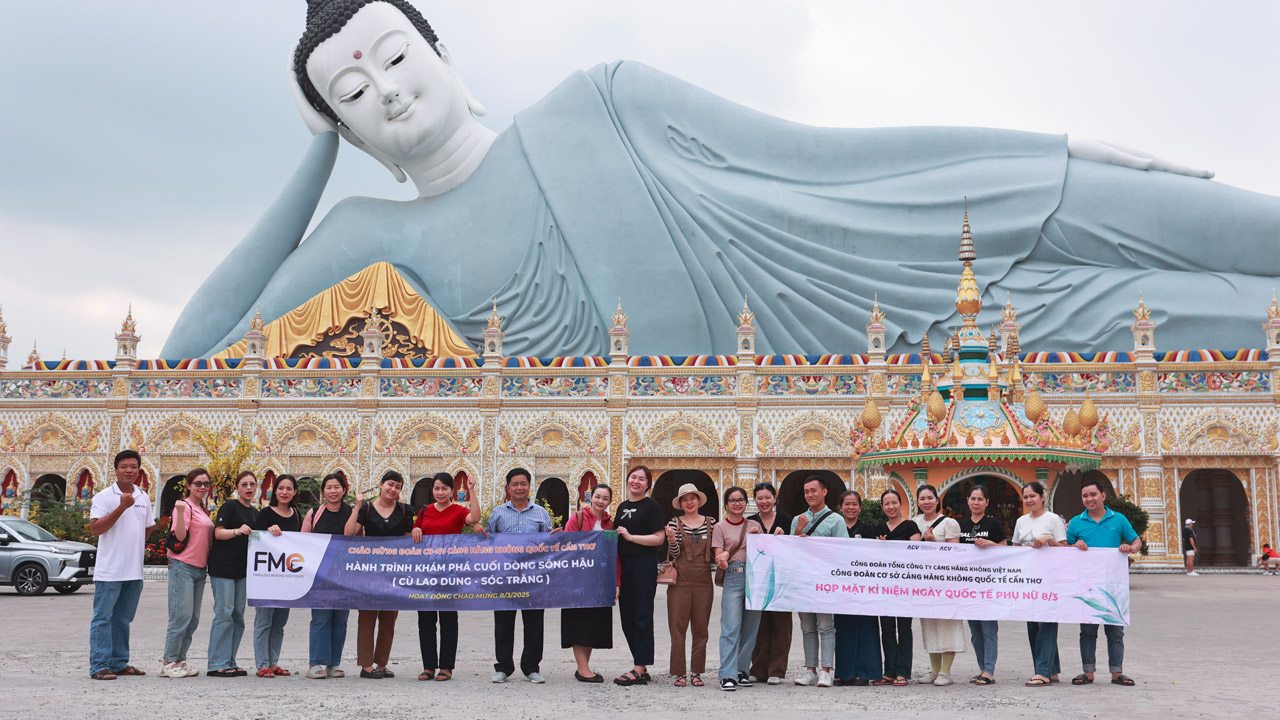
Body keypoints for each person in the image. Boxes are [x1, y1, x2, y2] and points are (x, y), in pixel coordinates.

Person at [167, 0, 1280, 362]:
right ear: (347, 137)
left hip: (848, 247)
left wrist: (1046, 150)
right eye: (351, 98)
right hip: (864, 358)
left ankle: (1065, 178)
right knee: (1195, 320)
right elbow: (181, 368)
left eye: (395, 60)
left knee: (1137, 213)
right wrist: (310, 150)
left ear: (443, 55)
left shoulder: (598, 96)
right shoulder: (373, 232)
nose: (388, 96)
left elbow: (821, 157)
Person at [1066, 478, 1142, 687]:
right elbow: (1064, 549)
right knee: (1087, 631)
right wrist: (1074, 546)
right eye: (1085, 496)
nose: (1089, 499)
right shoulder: (1075, 522)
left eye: (1093, 495)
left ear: (1103, 496)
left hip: (1113, 585)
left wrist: (1131, 548)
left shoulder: (1119, 520)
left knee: (1115, 631)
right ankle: (1087, 672)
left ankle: (1117, 673)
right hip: (1086, 585)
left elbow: (1136, 540)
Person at [88, 449, 156, 680]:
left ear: (139, 470)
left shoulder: (143, 497)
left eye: (134, 467)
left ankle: (118, 662)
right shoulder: (105, 496)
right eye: (124, 466)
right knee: (103, 618)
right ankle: (98, 666)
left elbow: (148, 527)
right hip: (110, 571)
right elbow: (96, 529)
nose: (129, 471)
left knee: (123, 619)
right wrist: (121, 507)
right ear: (116, 470)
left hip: (134, 570)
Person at [411, 471, 484, 681]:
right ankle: (428, 666)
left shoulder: (458, 511)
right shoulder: (425, 511)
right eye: (436, 488)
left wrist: (471, 490)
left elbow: (475, 518)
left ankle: (446, 666)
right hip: (426, 573)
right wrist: (416, 529)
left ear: (452, 490)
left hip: (450, 572)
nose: (440, 492)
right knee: (425, 620)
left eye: (444, 488)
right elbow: (417, 529)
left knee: (448, 620)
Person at [487, 467, 553, 684]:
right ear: (508, 488)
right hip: (505, 576)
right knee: (503, 622)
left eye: (523, 483)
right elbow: (487, 544)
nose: (519, 487)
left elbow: (548, 544)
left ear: (529, 486)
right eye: (514, 484)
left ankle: (531, 667)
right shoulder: (498, 513)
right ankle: (503, 667)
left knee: (534, 622)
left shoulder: (541, 514)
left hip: (533, 576)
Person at [345, 471, 414, 679]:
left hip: (393, 574)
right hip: (368, 573)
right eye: (390, 485)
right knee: (367, 617)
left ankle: (382, 663)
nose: (393, 489)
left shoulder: (404, 511)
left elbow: (408, 539)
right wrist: (357, 506)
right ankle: (366, 665)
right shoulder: (366, 509)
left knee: (388, 619)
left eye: (397, 487)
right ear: (381, 484)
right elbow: (348, 534)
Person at [612, 465, 666, 687]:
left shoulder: (651, 506)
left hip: (643, 564)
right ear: (627, 480)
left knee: (642, 616)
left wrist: (632, 537)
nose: (636, 481)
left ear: (648, 484)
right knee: (627, 617)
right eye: (633, 477)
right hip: (623, 565)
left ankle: (639, 668)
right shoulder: (622, 507)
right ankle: (640, 664)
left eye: (641, 479)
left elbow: (659, 538)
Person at [791, 475, 845, 688]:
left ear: (824, 492)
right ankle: (810, 669)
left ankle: (826, 670)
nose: (810, 495)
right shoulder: (798, 519)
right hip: (803, 580)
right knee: (807, 627)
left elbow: (842, 552)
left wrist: (813, 543)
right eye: (806, 491)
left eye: (814, 490)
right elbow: (790, 550)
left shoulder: (836, 520)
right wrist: (798, 532)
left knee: (825, 626)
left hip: (825, 580)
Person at [160, 467, 215, 678]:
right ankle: (168, 661)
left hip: (200, 568)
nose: (202, 487)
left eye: (206, 484)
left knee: (192, 618)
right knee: (180, 615)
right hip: (182, 565)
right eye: (198, 483)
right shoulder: (184, 507)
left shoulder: (202, 509)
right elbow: (180, 536)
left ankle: (180, 660)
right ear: (189, 486)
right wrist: (181, 512)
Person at [1011, 482, 1066, 687]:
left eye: (1032, 496)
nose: (1028, 500)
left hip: (1049, 579)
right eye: (1025, 497)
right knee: (1033, 625)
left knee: (1047, 623)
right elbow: (1014, 549)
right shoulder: (1021, 521)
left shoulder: (1053, 520)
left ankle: (1042, 671)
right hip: (1028, 579)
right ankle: (1051, 670)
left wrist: (1049, 541)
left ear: (1042, 497)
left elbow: (1065, 549)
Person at [910, 484, 965, 687]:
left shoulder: (949, 523)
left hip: (946, 583)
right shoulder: (914, 522)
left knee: (947, 625)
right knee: (930, 625)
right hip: (925, 582)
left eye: (930, 498)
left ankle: (946, 671)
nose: (926, 502)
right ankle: (934, 670)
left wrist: (933, 542)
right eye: (922, 498)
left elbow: (955, 554)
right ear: (917, 502)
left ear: (937, 499)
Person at [302, 473, 356, 679]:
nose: (333, 491)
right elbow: (302, 541)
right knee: (321, 618)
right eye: (329, 487)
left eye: (337, 487)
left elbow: (357, 538)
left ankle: (334, 664)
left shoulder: (351, 513)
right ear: (323, 491)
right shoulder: (314, 513)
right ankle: (315, 663)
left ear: (344, 490)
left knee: (340, 619)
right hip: (320, 572)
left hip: (345, 573)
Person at [207, 471, 260, 677]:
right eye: (244, 484)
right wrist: (236, 531)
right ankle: (216, 663)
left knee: (238, 616)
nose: (248, 488)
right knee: (224, 613)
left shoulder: (255, 513)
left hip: (242, 570)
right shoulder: (229, 507)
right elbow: (218, 532)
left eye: (252, 484)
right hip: (223, 569)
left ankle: (229, 660)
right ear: (237, 487)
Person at [562, 483, 617, 683]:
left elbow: (614, 556)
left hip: (600, 581)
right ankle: (583, 669)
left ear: (610, 501)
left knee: (593, 624)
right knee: (579, 622)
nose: (600, 501)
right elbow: (565, 546)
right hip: (578, 580)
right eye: (597, 497)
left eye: (605, 498)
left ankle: (584, 667)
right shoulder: (577, 518)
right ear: (590, 497)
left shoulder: (611, 524)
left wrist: (616, 583)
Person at [665, 482, 717, 688]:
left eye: (692, 498)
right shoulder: (675, 522)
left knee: (701, 628)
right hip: (680, 583)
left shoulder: (711, 523)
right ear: (680, 503)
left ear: (698, 500)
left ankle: (696, 672)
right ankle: (679, 673)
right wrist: (670, 538)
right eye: (685, 499)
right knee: (678, 628)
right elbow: (675, 553)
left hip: (704, 581)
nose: (689, 502)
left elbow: (717, 549)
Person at [252, 474, 302, 678]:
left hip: (286, 576)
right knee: (264, 622)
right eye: (281, 488)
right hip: (266, 576)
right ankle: (262, 664)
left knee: (279, 623)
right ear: (275, 491)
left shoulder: (296, 515)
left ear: (295, 492)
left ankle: (273, 662)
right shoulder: (265, 514)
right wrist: (266, 530)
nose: (284, 492)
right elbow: (254, 540)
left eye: (289, 488)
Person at [714, 486, 762, 691]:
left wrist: (757, 538)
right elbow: (718, 554)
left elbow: (764, 552)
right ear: (726, 504)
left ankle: (743, 670)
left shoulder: (754, 524)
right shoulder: (720, 527)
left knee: (751, 628)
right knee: (731, 626)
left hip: (754, 576)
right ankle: (727, 674)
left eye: (741, 499)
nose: (737, 503)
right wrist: (722, 559)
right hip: (733, 576)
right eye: (732, 500)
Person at [958, 484, 1007, 685]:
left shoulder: (994, 525)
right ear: (967, 501)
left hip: (988, 584)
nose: (976, 502)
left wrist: (991, 545)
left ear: (987, 502)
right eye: (973, 498)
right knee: (975, 632)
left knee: (988, 629)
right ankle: (981, 668)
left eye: (980, 499)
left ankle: (989, 670)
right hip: (968, 586)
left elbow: (1005, 550)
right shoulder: (960, 526)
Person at [872, 489, 921, 687]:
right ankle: (889, 671)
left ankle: (903, 671)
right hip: (884, 586)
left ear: (901, 504)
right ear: (882, 507)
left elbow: (916, 552)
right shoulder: (879, 529)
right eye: (886, 503)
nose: (891, 507)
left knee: (904, 628)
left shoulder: (911, 526)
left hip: (905, 585)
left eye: (894, 502)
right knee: (887, 628)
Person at [833, 490, 881, 687]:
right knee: (843, 629)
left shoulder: (869, 529)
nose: (851, 507)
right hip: (840, 587)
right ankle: (844, 673)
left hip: (864, 587)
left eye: (854, 504)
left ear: (860, 507)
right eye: (847, 504)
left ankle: (865, 672)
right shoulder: (836, 527)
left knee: (866, 628)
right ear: (840, 507)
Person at [747, 482, 792, 685]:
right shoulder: (749, 522)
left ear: (775, 498)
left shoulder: (786, 520)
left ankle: (777, 670)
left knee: (781, 626)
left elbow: (796, 548)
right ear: (754, 500)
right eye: (760, 498)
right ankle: (757, 668)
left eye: (768, 497)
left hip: (782, 581)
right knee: (759, 625)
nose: (764, 502)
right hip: (757, 581)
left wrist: (787, 538)